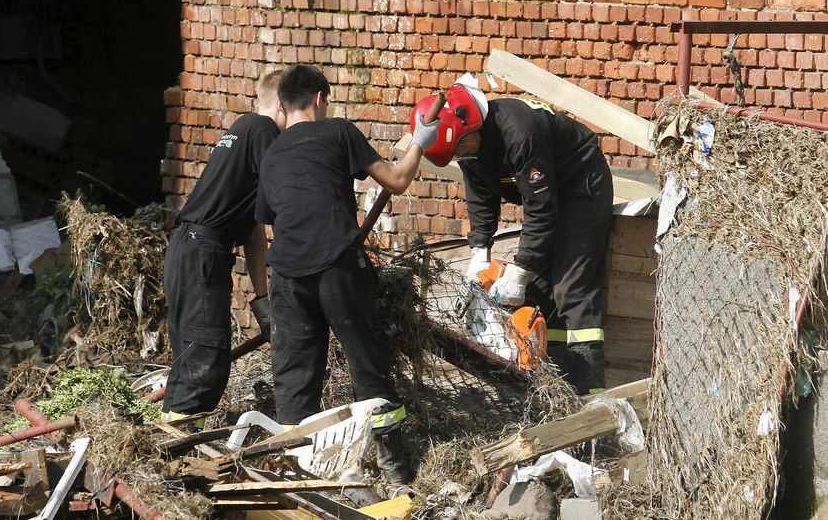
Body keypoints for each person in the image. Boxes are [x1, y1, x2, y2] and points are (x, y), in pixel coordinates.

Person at [255, 63, 438, 483]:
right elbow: (396, 179)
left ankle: (298, 475)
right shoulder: (338, 131)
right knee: (367, 366)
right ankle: (396, 474)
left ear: (282, 104)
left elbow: (270, 222)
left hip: (287, 277)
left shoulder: (271, 154)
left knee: (295, 381)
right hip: (337, 266)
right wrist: (421, 141)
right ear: (320, 98)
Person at [411, 81, 613, 395]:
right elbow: (479, 195)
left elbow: (541, 210)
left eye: (462, 148)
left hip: (580, 184)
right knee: (541, 293)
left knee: (572, 285)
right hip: (546, 193)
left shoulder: (520, 132)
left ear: (472, 126)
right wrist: (479, 249)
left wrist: (518, 272)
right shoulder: (471, 144)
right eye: (457, 155)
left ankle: (589, 392)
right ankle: (558, 388)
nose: (463, 155)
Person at [161, 69, 286, 424]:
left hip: (190, 250)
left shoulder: (245, 132)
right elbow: (283, 200)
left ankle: (173, 442)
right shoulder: (262, 130)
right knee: (204, 360)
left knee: (193, 358)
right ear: (281, 105)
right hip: (202, 250)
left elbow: (254, 230)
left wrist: (262, 299)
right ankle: (179, 452)